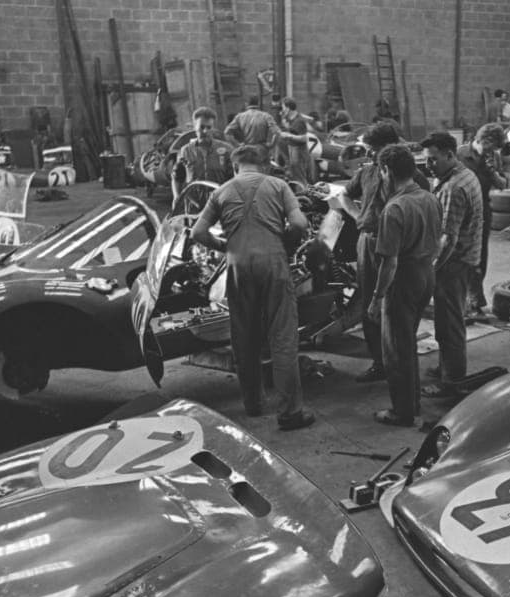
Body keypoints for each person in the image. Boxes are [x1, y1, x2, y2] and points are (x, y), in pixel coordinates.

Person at [189, 145, 315, 430]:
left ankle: (253, 404)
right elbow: (299, 223)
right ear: (263, 166)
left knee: (244, 338)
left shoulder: (221, 191)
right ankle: (290, 413)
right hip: (273, 263)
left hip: (237, 266)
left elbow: (197, 232)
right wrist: (286, 244)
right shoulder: (278, 185)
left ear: (235, 167)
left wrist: (224, 246)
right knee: (282, 338)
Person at [344, 122, 431, 383]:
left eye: (373, 149)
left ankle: (401, 357)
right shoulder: (367, 172)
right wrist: (358, 215)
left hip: (398, 247)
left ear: (389, 148)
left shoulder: (414, 177)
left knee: (396, 302)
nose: (368, 154)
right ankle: (380, 362)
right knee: (370, 301)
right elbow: (346, 196)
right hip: (368, 241)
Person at [368, 144, 441, 426]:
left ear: (386, 171)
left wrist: (376, 298)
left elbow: (390, 263)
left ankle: (402, 412)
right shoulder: (429, 198)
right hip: (426, 274)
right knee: (407, 341)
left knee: (396, 350)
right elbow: (438, 241)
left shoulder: (395, 208)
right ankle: (414, 404)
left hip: (403, 279)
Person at [420, 131, 484, 397]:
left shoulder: (453, 188)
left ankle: (452, 381)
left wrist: (430, 270)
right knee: (449, 319)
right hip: (466, 257)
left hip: (454, 263)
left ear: (450, 155)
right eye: (426, 160)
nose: (428, 165)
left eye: (433, 160)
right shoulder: (464, 173)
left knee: (449, 323)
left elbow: (447, 239)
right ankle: (446, 366)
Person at [457, 122, 507, 317]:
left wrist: (492, 170)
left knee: (480, 257)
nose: (492, 151)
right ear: (483, 140)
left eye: (495, 149)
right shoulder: (460, 154)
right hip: (462, 211)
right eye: (491, 146)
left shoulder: (493, 157)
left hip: (483, 210)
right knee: (461, 255)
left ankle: (474, 300)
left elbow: (503, 184)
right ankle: (465, 299)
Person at [173, 106, 234, 201]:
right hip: (193, 206)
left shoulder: (227, 150)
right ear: (194, 127)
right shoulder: (185, 151)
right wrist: (176, 196)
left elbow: (235, 179)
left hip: (219, 204)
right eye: (201, 127)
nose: (205, 131)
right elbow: (177, 177)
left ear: (213, 128)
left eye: (209, 127)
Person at [279, 116, 317, 186]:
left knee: (302, 179)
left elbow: (304, 138)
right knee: (302, 179)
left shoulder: (298, 123)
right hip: (298, 154)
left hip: (299, 153)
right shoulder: (285, 139)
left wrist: (288, 136)